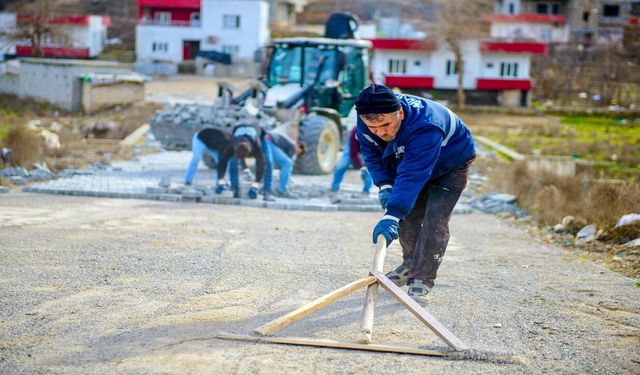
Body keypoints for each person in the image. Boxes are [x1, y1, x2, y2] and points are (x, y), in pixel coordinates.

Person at [354, 84, 476, 306]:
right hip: (410, 158)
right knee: (408, 216)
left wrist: (392, 214)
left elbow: (413, 173)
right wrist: (385, 186)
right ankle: (409, 265)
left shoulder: (426, 125)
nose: (380, 132)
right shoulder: (366, 120)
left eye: (385, 125)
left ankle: (422, 278)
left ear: (400, 112)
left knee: (434, 219)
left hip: (450, 163)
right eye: (373, 128)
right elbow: (372, 156)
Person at [215, 123, 272, 201]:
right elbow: (222, 162)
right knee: (232, 163)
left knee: (268, 161)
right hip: (238, 131)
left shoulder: (257, 145)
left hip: (262, 135)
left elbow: (261, 165)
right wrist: (221, 180)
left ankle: (267, 192)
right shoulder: (232, 145)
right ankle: (235, 189)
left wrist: (255, 185)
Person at [329, 126, 372, 197]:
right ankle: (334, 188)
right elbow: (353, 153)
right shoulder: (355, 131)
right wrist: (360, 166)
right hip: (352, 147)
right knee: (341, 166)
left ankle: (366, 191)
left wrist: (365, 167)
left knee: (369, 169)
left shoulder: (374, 134)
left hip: (368, 148)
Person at [263, 132, 305, 199]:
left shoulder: (287, 143)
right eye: (299, 152)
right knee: (287, 163)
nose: (296, 153)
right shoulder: (292, 146)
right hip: (269, 141)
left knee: (270, 165)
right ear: (298, 145)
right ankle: (282, 190)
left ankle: (265, 187)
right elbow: (287, 163)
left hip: (267, 139)